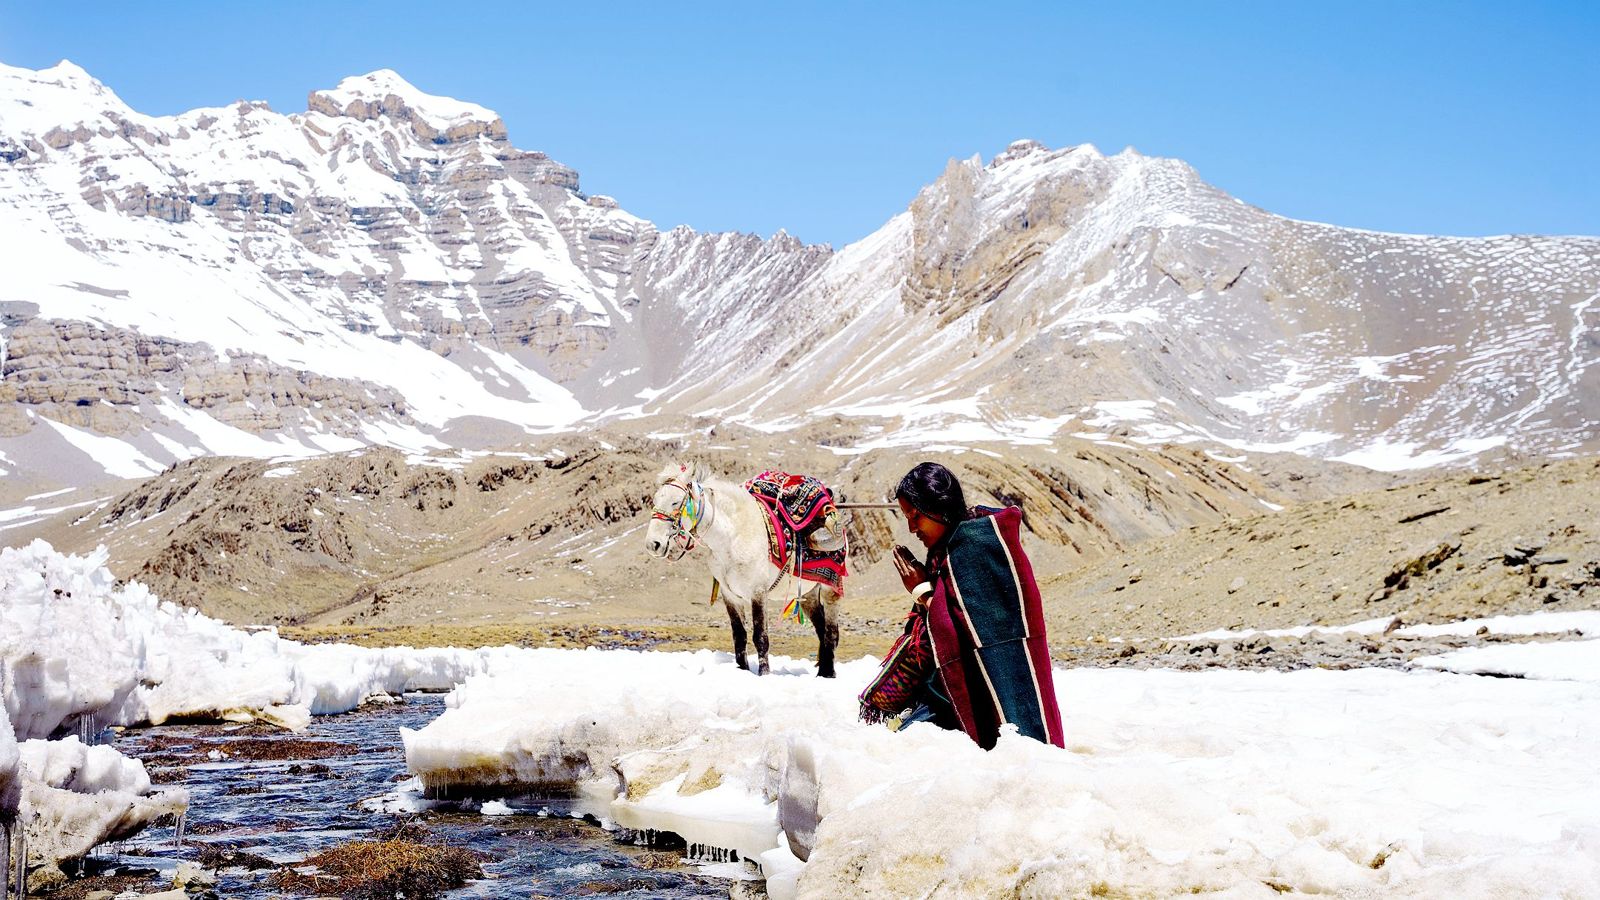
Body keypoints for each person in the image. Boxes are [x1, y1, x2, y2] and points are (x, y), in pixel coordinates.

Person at [859, 462, 1065, 749]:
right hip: (953, 700)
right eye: (907, 517)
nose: (911, 527)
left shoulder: (977, 547)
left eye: (916, 515)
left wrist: (921, 591)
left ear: (937, 507)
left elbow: (968, 632)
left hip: (997, 707)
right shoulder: (947, 550)